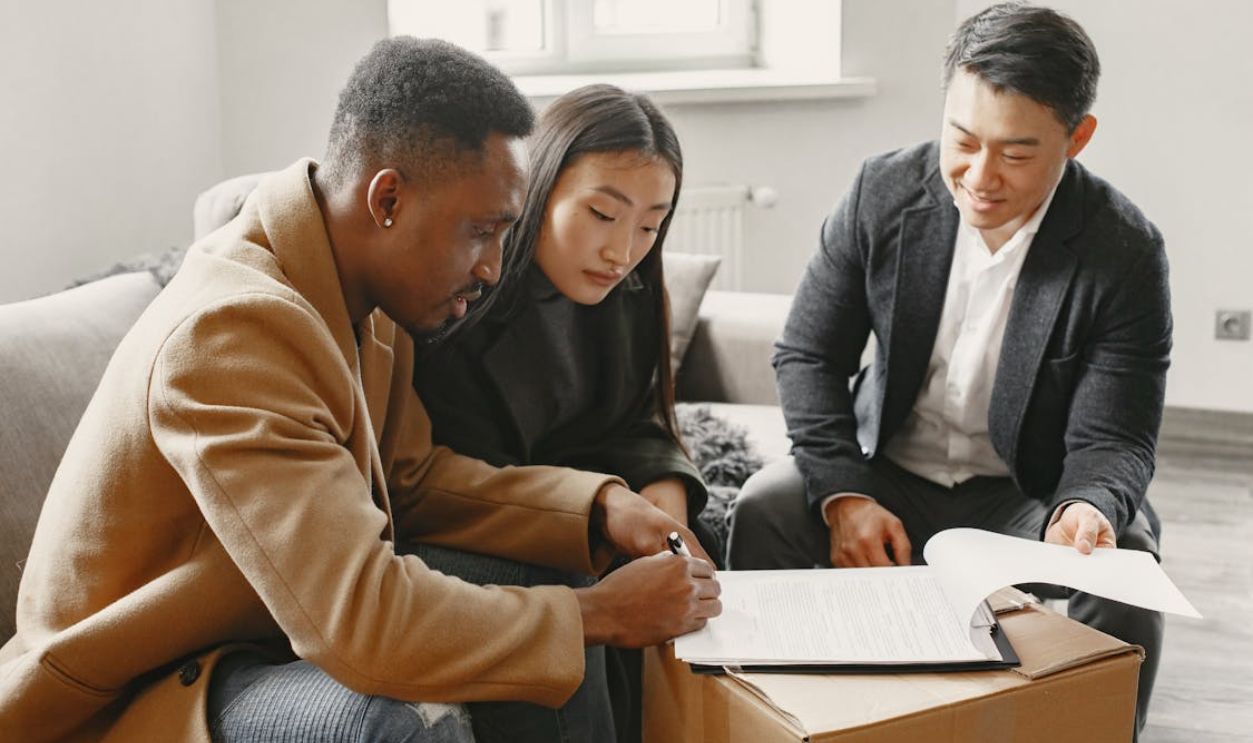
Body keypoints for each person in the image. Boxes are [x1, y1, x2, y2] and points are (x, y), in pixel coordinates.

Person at [0, 38, 720, 743]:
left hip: (264, 620)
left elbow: (411, 481)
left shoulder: (363, 297)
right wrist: (597, 613)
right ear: (387, 199)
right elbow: (363, 624)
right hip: (145, 680)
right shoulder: (231, 334)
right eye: (480, 232)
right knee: (381, 720)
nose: (495, 269)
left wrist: (598, 507)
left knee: (551, 564)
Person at [726, 4, 1170, 739]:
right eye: (961, 140)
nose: (980, 177)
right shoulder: (882, 192)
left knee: (1124, 566)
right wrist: (844, 494)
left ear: (1077, 138)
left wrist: (1083, 507)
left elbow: (1115, 436)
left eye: (1017, 153)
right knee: (763, 506)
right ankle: (768, 718)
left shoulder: (1122, 250)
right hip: (884, 468)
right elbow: (808, 353)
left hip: (1029, 491)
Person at [412, 84, 708, 743]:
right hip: (464, 522)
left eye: (649, 224)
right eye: (602, 214)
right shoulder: (456, 299)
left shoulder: (627, 288)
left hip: (573, 507)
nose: (622, 249)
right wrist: (597, 518)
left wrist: (664, 499)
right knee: (573, 576)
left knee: (688, 556)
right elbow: (446, 483)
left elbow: (634, 420)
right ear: (539, 189)